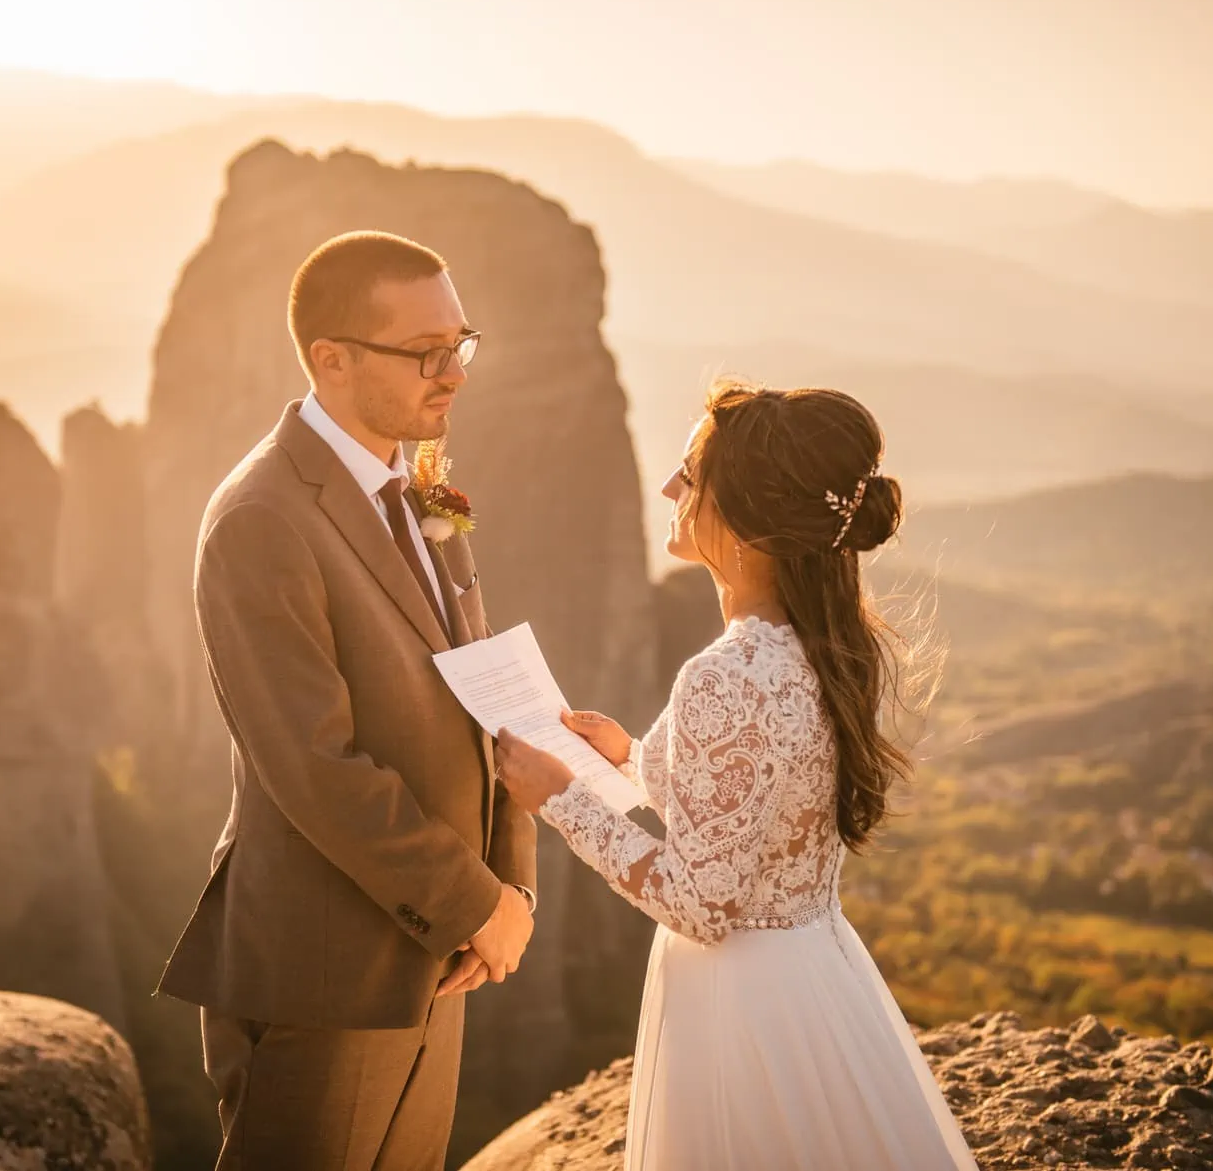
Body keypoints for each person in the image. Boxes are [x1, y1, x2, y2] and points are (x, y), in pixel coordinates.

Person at [494, 380, 978, 1170]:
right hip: (818, 973)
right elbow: (756, 789)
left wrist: (561, 800)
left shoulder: (726, 676)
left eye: (689, 473)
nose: (670, 489)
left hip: (741, 1008)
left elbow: (701, 903)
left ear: (746, 515)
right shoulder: (825, 645)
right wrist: (633, 756)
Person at [155, 231, 539, 1171]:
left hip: (436, 961)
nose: (452, 373)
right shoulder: (261, 519)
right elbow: (314, 768)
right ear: (330, 358)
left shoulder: (418, 484)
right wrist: (473, 904)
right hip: (324, 973)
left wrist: (510, 885)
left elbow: (482, 690)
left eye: (461, 344)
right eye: (424, 353)